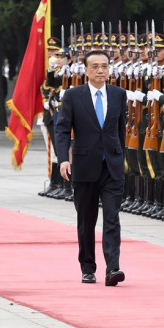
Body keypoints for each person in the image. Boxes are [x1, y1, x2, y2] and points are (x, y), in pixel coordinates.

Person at [56, 49, 127, 286]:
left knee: (112, 218)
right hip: (85, 166)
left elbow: (120, 130)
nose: (100, 71)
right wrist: (64, 159)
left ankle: (113, 268)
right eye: (95, 66)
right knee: (86, 220)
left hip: (112, 167)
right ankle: (88, 267)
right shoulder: (74, 96)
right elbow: (63, 130)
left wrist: (120, 156)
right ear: (86, 70)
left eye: (104, 66)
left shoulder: (118, 95)